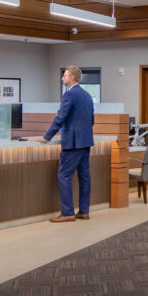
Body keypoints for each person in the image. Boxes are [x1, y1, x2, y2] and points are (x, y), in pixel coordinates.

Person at [46, 65, 95, 222]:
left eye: (65, 75)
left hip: (73, 143)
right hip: (85, 140)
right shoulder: (87, 95)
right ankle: (84, 211)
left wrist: (47, 136)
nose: (62, 78)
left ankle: (67, 212)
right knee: (84, 177)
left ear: (72, 78)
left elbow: (60, 118)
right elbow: (91, 120)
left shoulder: (69, 95)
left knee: (63, 175)